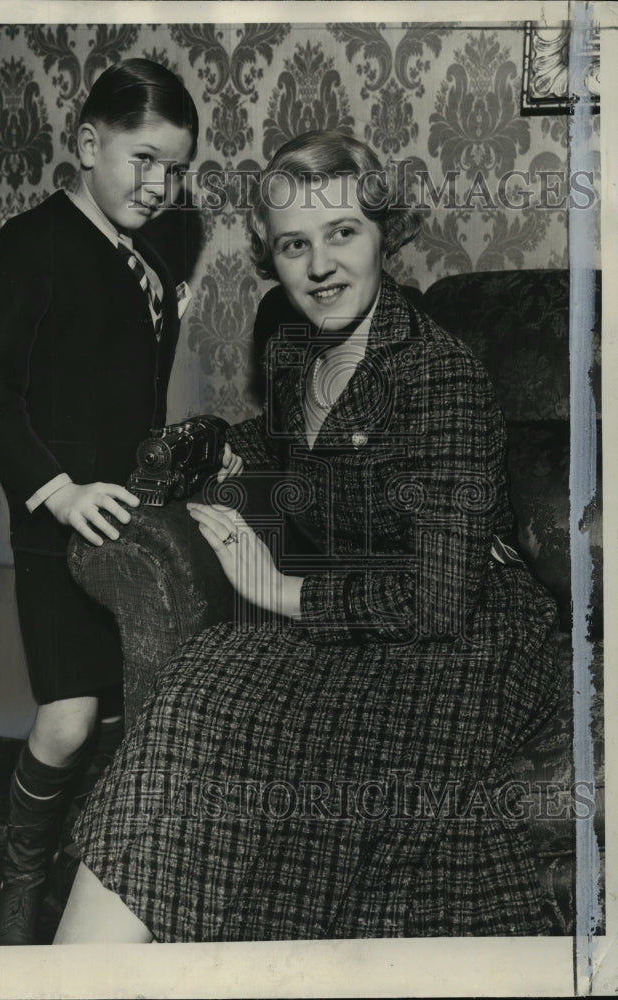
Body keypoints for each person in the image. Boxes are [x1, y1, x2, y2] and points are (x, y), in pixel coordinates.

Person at [54, 130, 561, 942]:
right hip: (350, 602)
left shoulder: (442, 377)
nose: (319, 265)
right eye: (294, 244)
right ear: (272, 256)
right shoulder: (292, 349)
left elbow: (437, 601)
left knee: (352, 784)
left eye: (341, 233)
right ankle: (82, 970)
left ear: (380, 235)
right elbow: (292, 445)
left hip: (462, 627)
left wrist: (276, 590)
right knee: (206, 680)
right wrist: (230, 447)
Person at [0, 59, 241, 945]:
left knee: (130, 710)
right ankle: (21, 872)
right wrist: (57, 490)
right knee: (69, 716)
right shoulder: (29, 244)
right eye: (143, 160)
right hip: (59, 519)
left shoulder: (147, 263)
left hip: (129, 529)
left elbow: (128, 398)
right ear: (88, 144)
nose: (159, 187)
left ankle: (110, 877)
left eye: (175, 170)